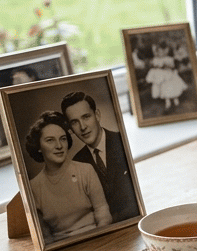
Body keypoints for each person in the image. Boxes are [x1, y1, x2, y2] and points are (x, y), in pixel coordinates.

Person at [23, 111, 112, 241]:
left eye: (63, 139)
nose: (59, 146)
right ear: (39, 147)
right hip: (62, 249)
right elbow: (44, 236)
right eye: (50, 140)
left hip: (97, 237)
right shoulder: (33, 187)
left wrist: (100, 239)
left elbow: (102, 211)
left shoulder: (85, 170)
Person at [61, 91, 140, 222]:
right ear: (70, 129)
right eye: (75, 122)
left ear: (97, 115)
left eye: (86, 117)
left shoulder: (122, 142)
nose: (82, 127)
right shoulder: (76, 163)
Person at [144, 40, 188, 111]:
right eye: (159, 52)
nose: (160, 53)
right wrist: (158, 67)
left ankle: (175, 99)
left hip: (169, 75)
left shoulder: (169, 59)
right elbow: (154, 66)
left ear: (165, 51)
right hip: (161, 77)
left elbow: (172, 66)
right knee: (164, 88)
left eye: (162, 51)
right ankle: (168, 102)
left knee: (172, 86)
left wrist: (166, 66)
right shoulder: (156, 59)